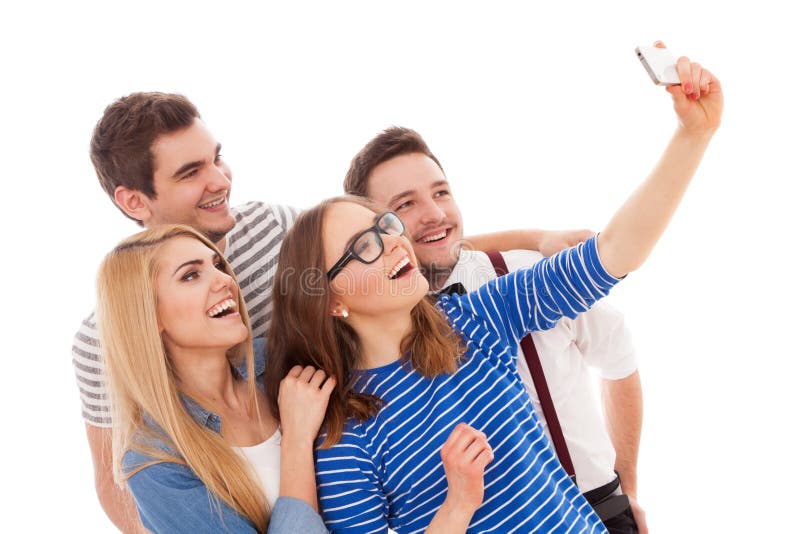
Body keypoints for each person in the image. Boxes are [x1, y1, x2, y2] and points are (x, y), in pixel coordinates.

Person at [73, 92, 586, 530]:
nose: (220, 180)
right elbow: (116, 483)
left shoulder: (271, 230)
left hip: (360, 446)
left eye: (216, 158)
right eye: (191, 172)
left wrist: (534, 237)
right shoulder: (106, 344)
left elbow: (381, 255)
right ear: (135, 201)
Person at [264, 53, 722, 532]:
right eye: (363, 245)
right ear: (333, 300)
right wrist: (457, 506)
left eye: (386, 226)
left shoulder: (475, 319)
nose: (393, 241)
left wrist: (693, 135)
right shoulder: (345, 438)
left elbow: (611, 254)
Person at [343, 126, 644, 532]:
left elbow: (618, 359)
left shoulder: (524, 272)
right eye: (405, 204)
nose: (434, 213)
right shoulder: (375, 354)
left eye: (441, 192)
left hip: (598, 507)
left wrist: (628, 485)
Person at [96, 224, 333, 532]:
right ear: (149, 315)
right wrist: (297, 442)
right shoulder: (154, 463)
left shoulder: (281, 360)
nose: (226, 280)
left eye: (217, 265)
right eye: (191, 275)